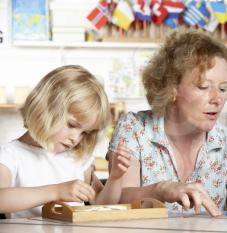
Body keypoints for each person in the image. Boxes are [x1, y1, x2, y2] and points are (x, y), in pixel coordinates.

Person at [105, 30, 227, 216]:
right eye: (204, 87)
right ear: (171, 88)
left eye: (223, 88)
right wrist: (161, 190)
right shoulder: (134, 129)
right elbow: (117, 199)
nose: (218, 99)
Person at [0, 65, 131, 218]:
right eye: (72, 125)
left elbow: (102, 205)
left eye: (84, 133)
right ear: (45, 108)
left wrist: (115, 178)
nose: (75, 138)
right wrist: (56, 192)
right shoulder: (11, 155)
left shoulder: (77, 158)